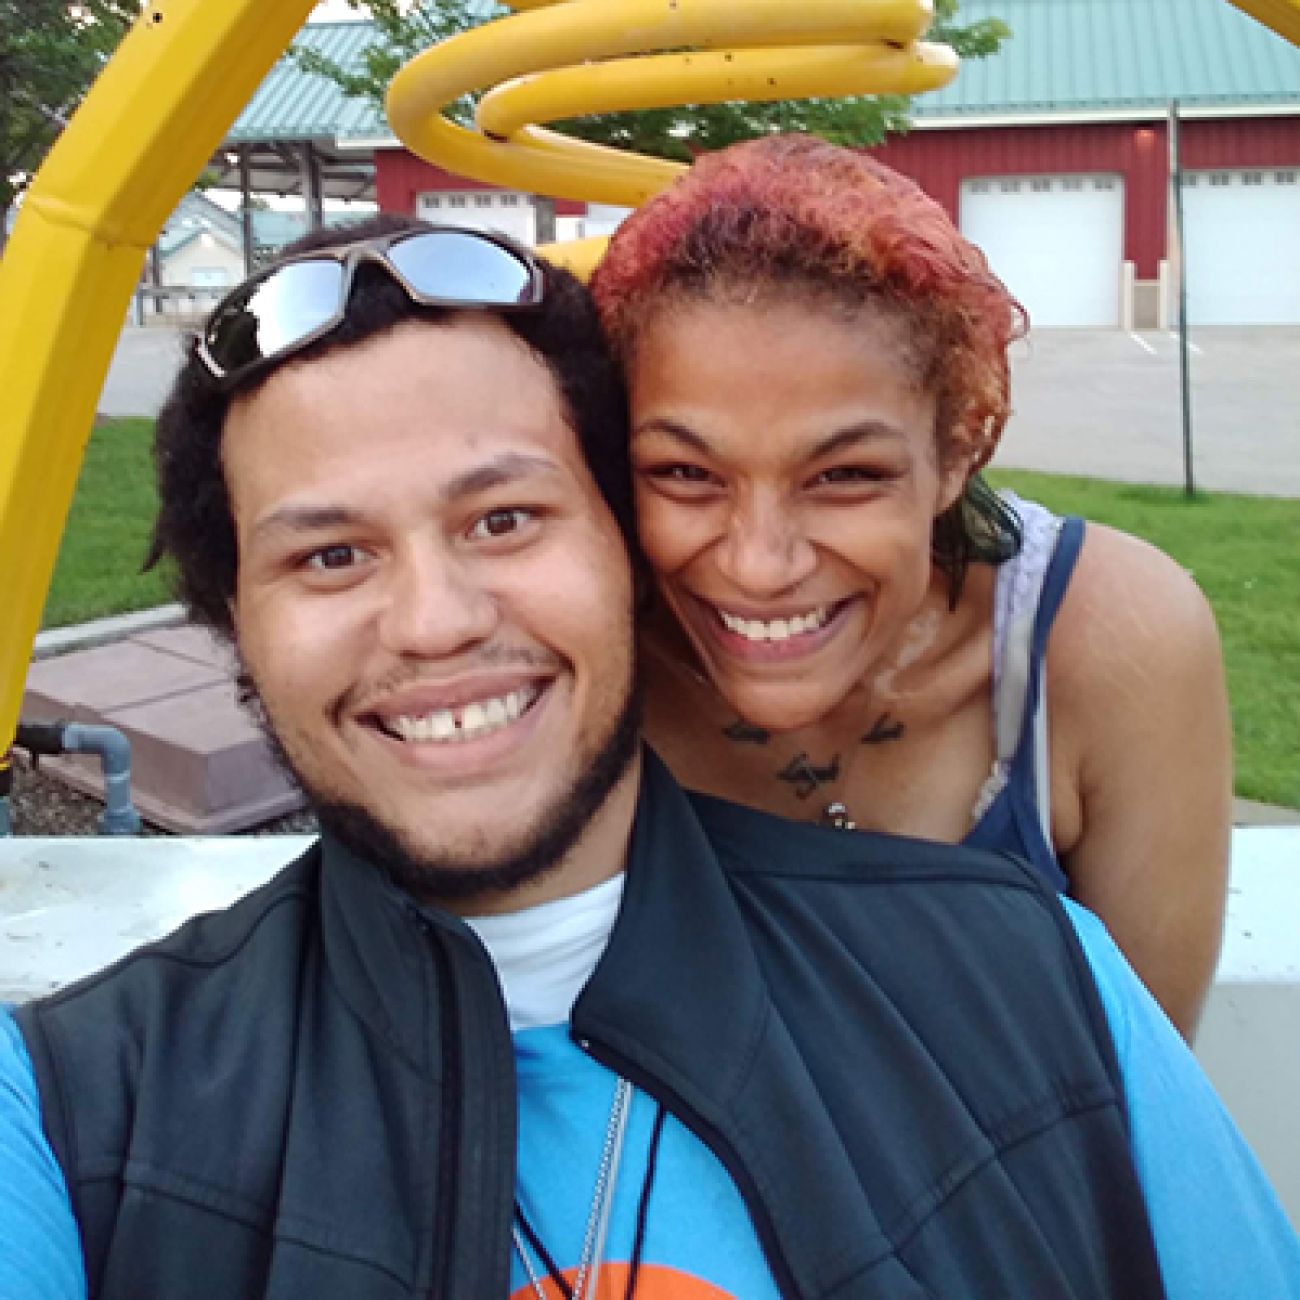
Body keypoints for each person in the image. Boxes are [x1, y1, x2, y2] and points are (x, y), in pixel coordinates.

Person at [2, 217, 1296, 1300]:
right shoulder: (70, 1112)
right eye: (330, 555)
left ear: (627, 555)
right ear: (242, 625)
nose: (437, 619)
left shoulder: (1035, 985)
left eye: (504, 517)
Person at [589, 133, 1232, 1041]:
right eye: (686, 475)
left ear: (957, 453)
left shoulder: (1107, 641)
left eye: (845, 475)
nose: (758, 565)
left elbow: (1144, 1090)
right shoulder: (580, 664)